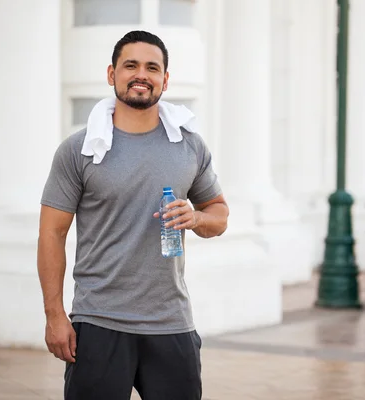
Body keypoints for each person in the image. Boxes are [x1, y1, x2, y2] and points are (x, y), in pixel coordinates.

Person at [36, 30, 229, 400]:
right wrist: (55, 316)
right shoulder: (79, 150)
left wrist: (198, 218)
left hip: (171, 322)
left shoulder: (189, 145)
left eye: (152, 67)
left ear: (165, 80)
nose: (141, 74)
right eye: (131, 65)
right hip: (98, 322)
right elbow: (51, 235)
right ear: (112, 74)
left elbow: (219, 213)